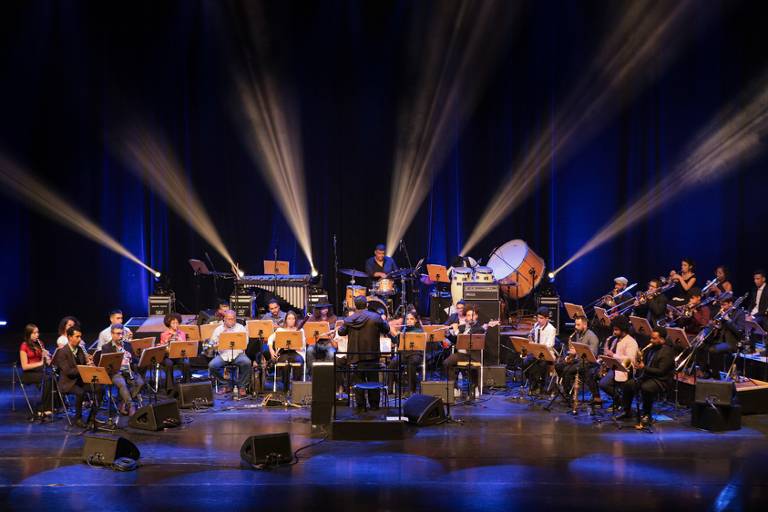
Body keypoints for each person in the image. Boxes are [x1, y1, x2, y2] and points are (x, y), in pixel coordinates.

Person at [337, 296, 390, 410]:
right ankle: (374, 405)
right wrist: (383, 320)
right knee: (373, 380)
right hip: (372, 355)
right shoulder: (375, 317)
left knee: (358, 381)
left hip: (356, 356)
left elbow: (341, 332)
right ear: (366, 305)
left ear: (355, 306)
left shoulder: (349, 319)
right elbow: (386, 329)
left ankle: (361, 406)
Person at [617, 326, 675, 428]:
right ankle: (627, 411)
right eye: (651, 338)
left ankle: (647, 415)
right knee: (628, 385)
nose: (651, 340)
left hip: (661, 380)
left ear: (662, 339)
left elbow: (661, 371)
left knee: (646, 388)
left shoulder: (667, 352)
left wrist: (644, 368)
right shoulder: (651, 349)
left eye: (654, 338)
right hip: (648, 376)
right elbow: (645, 364)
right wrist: (638, 364)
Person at [52, 325, 102, 428]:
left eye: (80, 337)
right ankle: (77, 418)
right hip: (67, 383)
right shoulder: (62, 352)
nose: (80, 339)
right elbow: (69, 372)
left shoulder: (79, 350)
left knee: (99, 389)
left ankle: (92, 417)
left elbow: (83, 366)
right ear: (70, 337)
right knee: (80, 392)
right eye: (77, 337)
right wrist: (84, 367)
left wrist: (90, 363)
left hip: (79, 381)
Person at [99, 323, 143, 415]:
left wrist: (131, 357)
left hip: (128, 370)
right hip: (115, 372)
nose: (121, 336)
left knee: (140, 383)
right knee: (122, 383)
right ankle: (131, 405)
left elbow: (135, 360)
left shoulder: (127, 345)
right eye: (118, 334)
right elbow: (105, 365)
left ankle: (122, 403)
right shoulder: (106, 347)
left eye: (122, 333)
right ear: (112, 334)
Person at [556, 315, 601, 405]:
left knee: (567, 370)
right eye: (575, 324)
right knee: (559, 366)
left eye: (578, 325)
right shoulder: (578, 333)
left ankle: (569, 394)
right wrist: (571, 355)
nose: (575, 327)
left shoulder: (592, 337)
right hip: (579, 360)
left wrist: (576, 352)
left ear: (584, 325)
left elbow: (592, 355)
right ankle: (566, 388)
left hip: (589, 363)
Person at [443, 306, 487, 396]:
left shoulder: (479, 328)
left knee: (472, 367)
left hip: (472, 355)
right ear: (465, 317)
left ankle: (474, 386)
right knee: (446, 363)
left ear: (476, 316)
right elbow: (455, 341)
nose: (470, 317)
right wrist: (447, 333)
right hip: (461, 354)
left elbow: (463, 339)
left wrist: (456, 330)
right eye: (468, 315)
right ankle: (454, 387)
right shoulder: (462, 327)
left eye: (472, 315)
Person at [208, 310, 251, 397]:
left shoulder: (241, 328)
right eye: (228, 319)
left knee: (247, 362)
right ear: (224, 319)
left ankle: (241, 386)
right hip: (223, 355)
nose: (230, 321)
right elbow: (211, 343)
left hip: (237, 354)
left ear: (235, 319)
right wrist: (220, 340)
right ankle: (225, 384)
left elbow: (245, 342)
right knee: (212, 365)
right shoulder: (218, 329)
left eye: (232, 319)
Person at [598, 316, 639, 404]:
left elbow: (630, 359)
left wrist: (613, 355)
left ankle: (620, 400)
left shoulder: (631, 342)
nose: (614, 332)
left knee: (603, 384)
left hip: (625, 370)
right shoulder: (616, 340)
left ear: (623, 330)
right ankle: (618, 400)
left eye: (616, 330)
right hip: (615, 367)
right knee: (597, 377)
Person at [703, 295, 746, 379]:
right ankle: (706, 371)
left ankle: (716, 374)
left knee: (713, 350)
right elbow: (719, 326)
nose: (722, 307)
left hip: (732, 342)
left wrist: (728, 320)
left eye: (724, 304)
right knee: (702, 346)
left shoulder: (740, 313)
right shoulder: (722, 313)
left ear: (731, 303)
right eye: (721, 305)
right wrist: (716, 326)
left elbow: (739, 331)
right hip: (719, 339)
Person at [18, 324, 53, 417]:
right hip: (28, 374)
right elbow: (24, 366)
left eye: (37, 332)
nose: (37, 335)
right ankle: (43, 408)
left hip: (39, 371)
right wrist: (41, 363)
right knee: (47, 379)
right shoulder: (24, 346)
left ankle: (53, 405)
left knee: (53, 377)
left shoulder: (40, 343)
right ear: (29, 334)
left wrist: (48, 358)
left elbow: (45, 361)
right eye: (34, 333)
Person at [521, 307, 557, 393]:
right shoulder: (536, 325)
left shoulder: (551, 329)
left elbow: (550, 345)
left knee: (540, 364)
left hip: (546, 354)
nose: (539, 320)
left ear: (547, 318)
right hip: (536, 352)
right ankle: (532, 382)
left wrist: (537, 346)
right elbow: (533, 337)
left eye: (541, 318)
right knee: (525, 362)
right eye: (538, 317)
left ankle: (540, 385)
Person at [268, 310, 306, 391]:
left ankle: (296, 388)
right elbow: (270, 339)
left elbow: (303, 345)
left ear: (296, 320)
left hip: (296, 352)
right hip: (284, 353)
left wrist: (293, 346)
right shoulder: (280, 330)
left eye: (293, 319)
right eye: (289, 318)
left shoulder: (300, 330)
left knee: (298, 362)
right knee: (285, 364)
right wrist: (271, 350)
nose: (291, 321)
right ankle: (286, 389)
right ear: (286, 320)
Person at [388, 310, 424, 395]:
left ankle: (411, 389)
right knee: (392, 363)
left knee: (411, 364)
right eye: (407, 319)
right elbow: (397, 342)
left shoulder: (419, 331)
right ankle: (389, 388)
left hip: (415, 355)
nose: (409, 321)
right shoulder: (403, 329)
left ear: (415, 320)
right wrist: (394, 333)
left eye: (411, 319)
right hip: (404, 354)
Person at [156, 313, 191, 393]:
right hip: (168, 356)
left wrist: (180, 340)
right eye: (173, 323)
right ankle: (169, 387)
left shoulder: (182, 333)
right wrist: (166, 342)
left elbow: (184, 347)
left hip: (179, 356)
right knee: (169, 364)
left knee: (186, 363)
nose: (176, 324)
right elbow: (163, 348)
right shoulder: (164, 334)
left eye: (177, 322)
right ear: (169, 324)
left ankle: (186, 385)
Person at [303, 304, 337, 375]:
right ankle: (312, 373)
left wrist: (332, 334)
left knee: (331, 353)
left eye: (326, 307)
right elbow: (307, 330)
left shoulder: (333, 318)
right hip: (316, 342)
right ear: (318, 309)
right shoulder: (312, 318)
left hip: (328, 342)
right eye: (322, 308)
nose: (325, 310)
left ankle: (326, 373)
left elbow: (335, 331)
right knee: (309, 350)